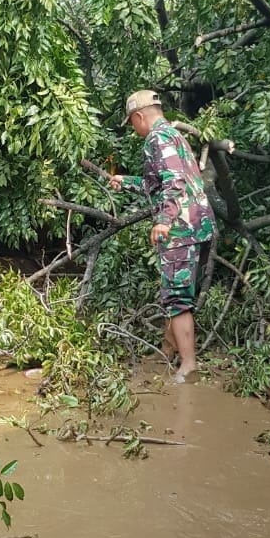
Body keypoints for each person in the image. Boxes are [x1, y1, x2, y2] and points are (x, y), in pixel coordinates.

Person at [108, 90, 216, 381]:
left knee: (177, 297)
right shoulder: (174, 136)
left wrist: (164, 220)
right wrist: (126, 182)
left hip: (180, 227)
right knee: (178, 291)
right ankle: (167, 352)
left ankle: (189, 365)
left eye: (132, 122)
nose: (133, 128)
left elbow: (174, 181)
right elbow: (157, 182)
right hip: (200, 226)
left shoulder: (157, 138)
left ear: (139, 116)